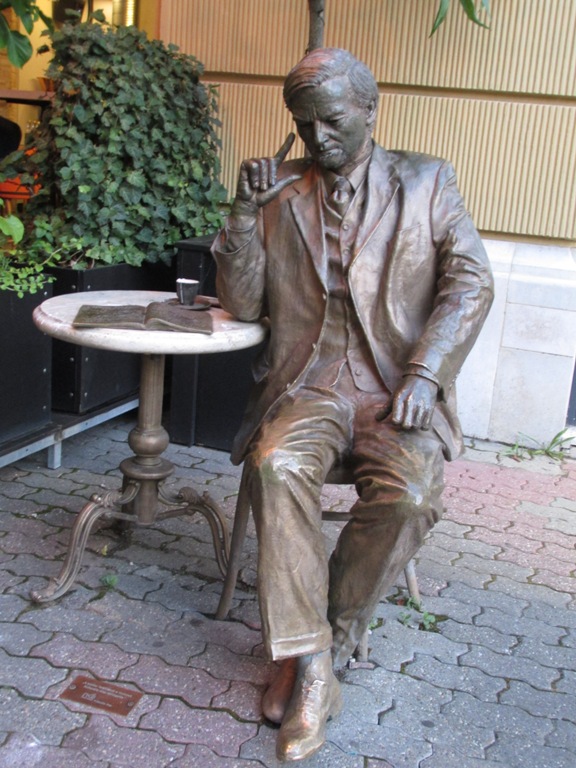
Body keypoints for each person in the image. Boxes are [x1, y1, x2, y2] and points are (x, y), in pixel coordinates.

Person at [212, 47, 494, 762]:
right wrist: (242, 215)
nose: (318, 138)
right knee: (275, 465)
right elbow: (240, 303)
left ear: (370, 108)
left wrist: (426, 373)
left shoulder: (427, 180)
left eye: (332, 119)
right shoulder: (280, 193)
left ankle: (323, 644)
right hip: (307, 384)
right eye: (304, 124)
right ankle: (313, 666)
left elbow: (470, 282)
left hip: (393, 389)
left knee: (412, 494)